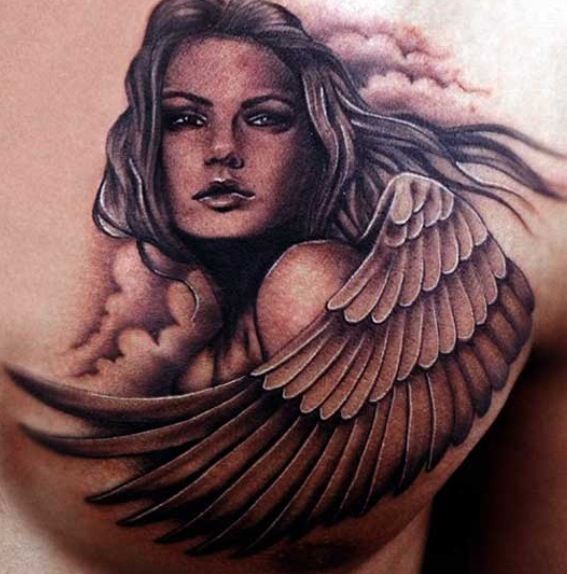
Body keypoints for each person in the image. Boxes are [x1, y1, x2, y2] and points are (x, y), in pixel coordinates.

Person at [1, 0, 566, 573]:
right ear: (147, 142)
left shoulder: (311, 283)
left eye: (265, 118)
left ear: (318, 141)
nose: (222, 150)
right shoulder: (200, 308)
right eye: (185, 119)